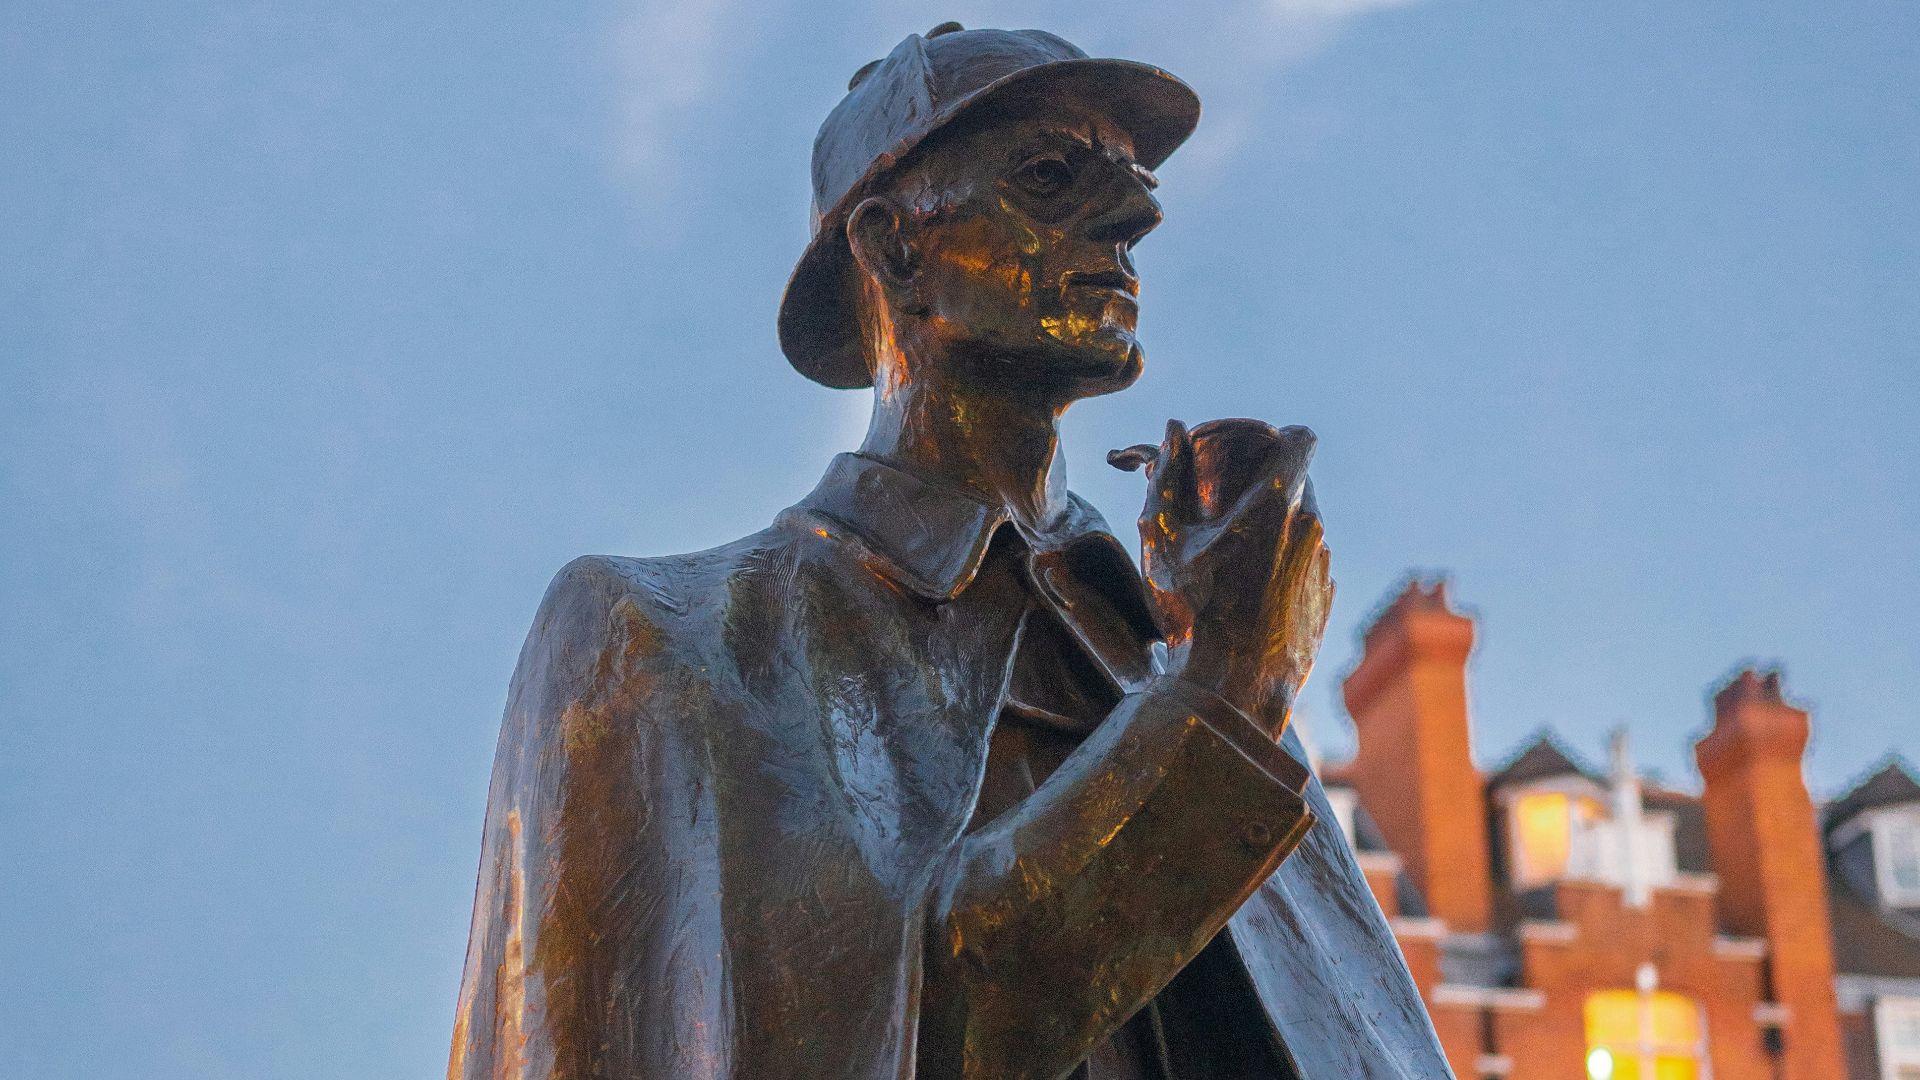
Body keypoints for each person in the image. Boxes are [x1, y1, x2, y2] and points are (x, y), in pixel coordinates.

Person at [449, 24, 1451, 1080]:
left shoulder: (1173, 648)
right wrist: (1223, 698)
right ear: (892, 246)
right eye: (1051, 176)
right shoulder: (666, 645)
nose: (1137, 216)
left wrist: (1219, 683)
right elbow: (898, 1042)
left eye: (1135, 184)